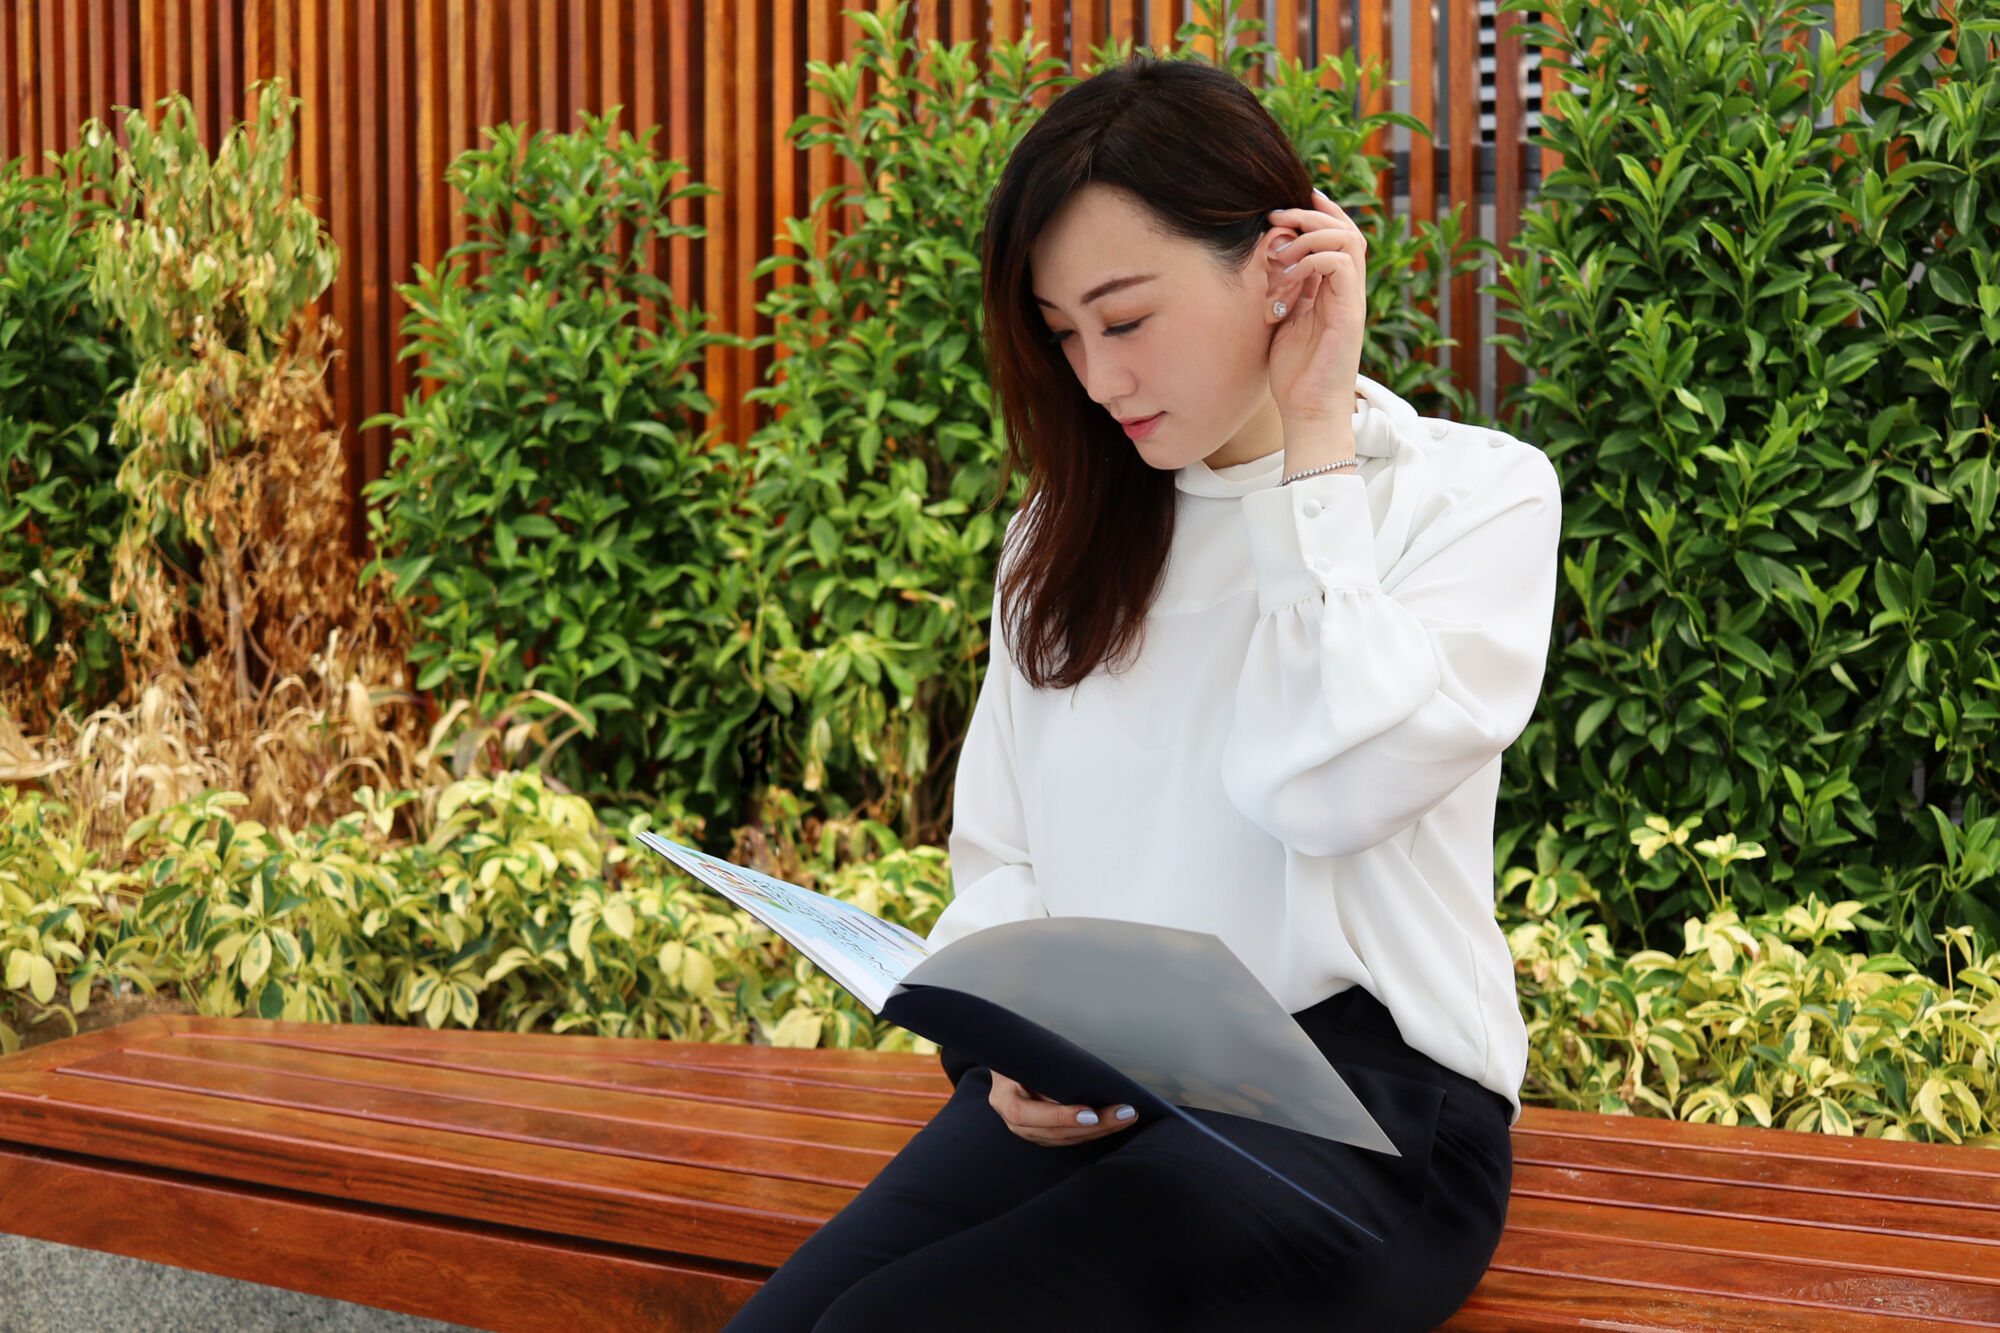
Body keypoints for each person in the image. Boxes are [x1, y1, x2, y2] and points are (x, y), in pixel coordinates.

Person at [719, 48, 1561, 1333]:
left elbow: (1327, 787)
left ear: (1279, 264)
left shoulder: (1470, 495)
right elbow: (1000, 855)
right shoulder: (1061, 538)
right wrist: (1002, 1052)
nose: (1098, 380)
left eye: (1124, 319)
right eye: (1063, 336)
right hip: (1098, 1089)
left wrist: (1313, 448)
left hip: (1364, 1128)